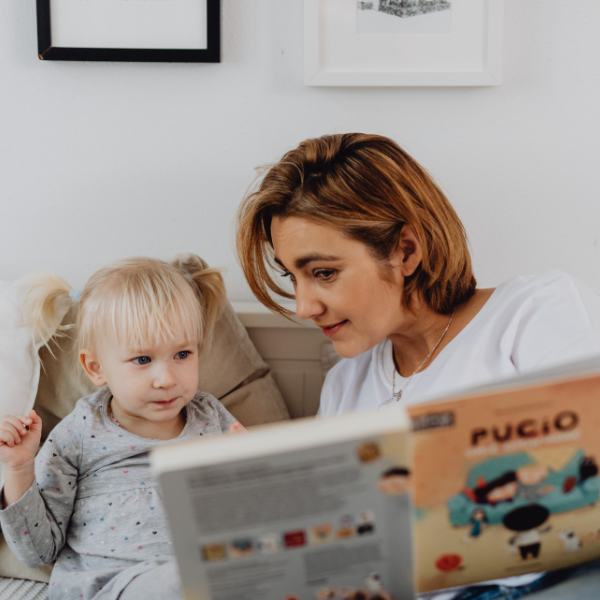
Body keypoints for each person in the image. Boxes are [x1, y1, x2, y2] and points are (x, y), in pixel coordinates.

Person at [236, 133, 600, 599]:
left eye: (323, 272)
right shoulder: (345, 385)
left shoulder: (533, 312)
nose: (304, 306)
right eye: (293, 277)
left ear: (405, 251)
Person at [0, 255, 245, 600]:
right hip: (111, 587)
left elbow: (252, 517)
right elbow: (38, 552)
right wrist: (20, 469)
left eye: (183, 354)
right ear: (96, 367)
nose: (167, 378)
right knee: (180, 581)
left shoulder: (212, 418)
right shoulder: (79, 433)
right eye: (142, 359)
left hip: (207, 577)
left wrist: (251, 472)